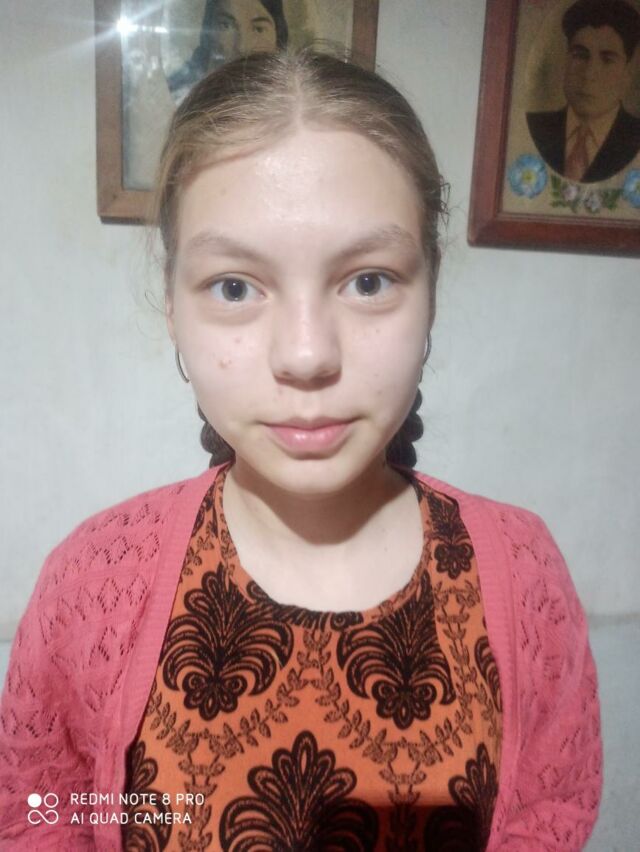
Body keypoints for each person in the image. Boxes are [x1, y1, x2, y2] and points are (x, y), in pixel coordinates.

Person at [0, 49, 602, 850]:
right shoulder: (89, 582)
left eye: (368, 281)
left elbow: (550, 815)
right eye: (235, 287)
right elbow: (43, 814)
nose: (308, 355)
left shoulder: (524, 576)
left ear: (431, 291)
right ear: (173, 305)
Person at [526, 0, 640, 183]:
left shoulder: (635, 137)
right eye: (580, 55)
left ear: (627, 72)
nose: (589, 74)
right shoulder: (537, 128)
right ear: (566, 61)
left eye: (607, 60)